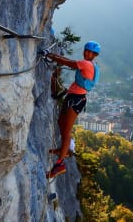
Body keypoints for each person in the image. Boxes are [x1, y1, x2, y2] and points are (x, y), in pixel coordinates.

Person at [42, 40, 100, 178]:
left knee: (66, 131)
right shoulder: (89, 64)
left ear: (94, 54)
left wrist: (51, 55)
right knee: (61, 122)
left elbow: (69, 63)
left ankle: (60, 164)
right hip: (73, 97)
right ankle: (64, 149)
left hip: (76, 100)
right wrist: (53, 55)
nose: (87, 53)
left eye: (90, 52)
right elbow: (70, 61)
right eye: (86, 50)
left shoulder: (87, 64)